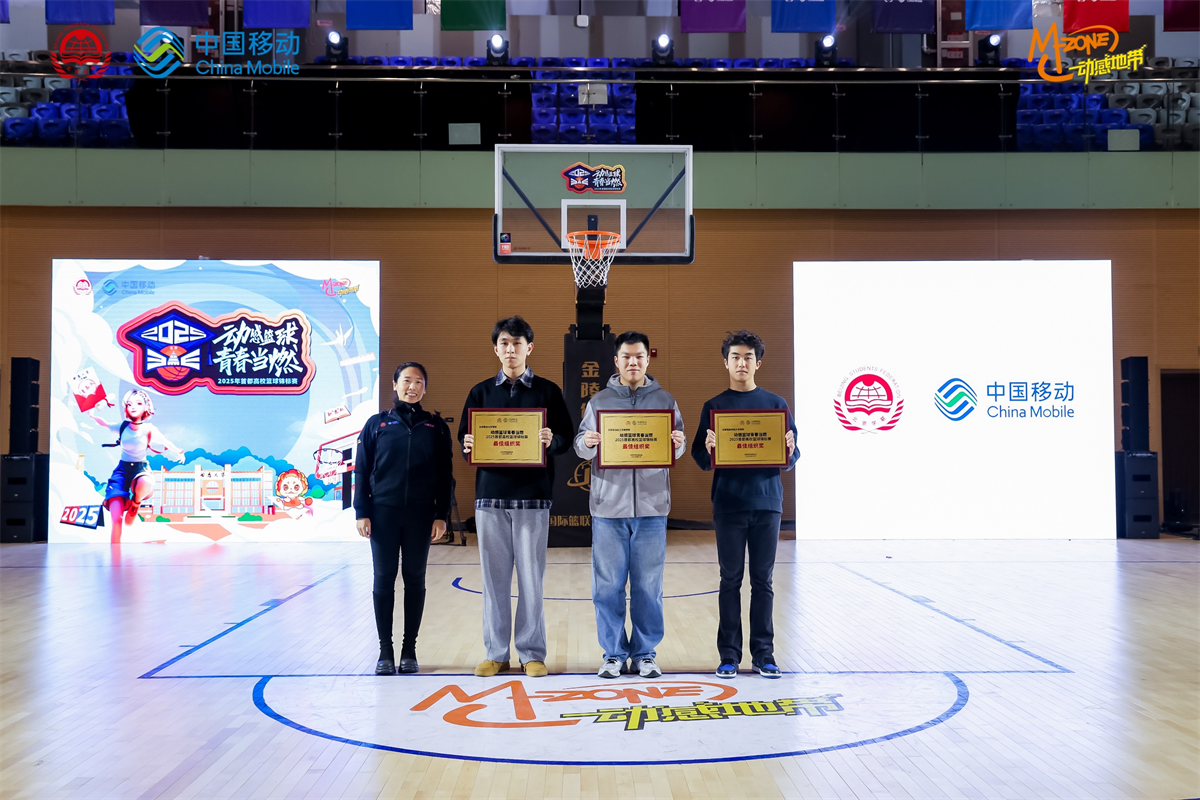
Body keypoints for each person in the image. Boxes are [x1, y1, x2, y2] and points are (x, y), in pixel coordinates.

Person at [459, 316, 573, 678]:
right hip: (490, 497)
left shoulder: (548, 391)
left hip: (532, 497)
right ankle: (496, 653)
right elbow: (465, 439)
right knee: (493, 581)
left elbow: (566, 438)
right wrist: (467, 444)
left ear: (529, 348)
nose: (511, 350)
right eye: (505, 343)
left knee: (531, 580)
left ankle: (531, 653)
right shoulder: (479, 393)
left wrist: (551, 440)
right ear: (496, 349)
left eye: (517, 343)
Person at [574, 331, 686, 679]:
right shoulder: (599, 402)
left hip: (652, 508)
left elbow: (678, 445)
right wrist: (588, 441)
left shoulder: (665, 400)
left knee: (648, 587)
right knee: (607, 586)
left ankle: (645, 654)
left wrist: (678, 443)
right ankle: (612, 654)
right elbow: (580, 447)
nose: (633, 362)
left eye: (639, 356)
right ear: (616, 361)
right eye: (626, 356)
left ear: (648, 359)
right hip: (608, 508)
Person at [691, 330, 798, 679]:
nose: (741, 363)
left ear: (758, 363)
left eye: (748, 357)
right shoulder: (714, 407)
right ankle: (729, 656)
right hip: (729, 504)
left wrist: (789, 448)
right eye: (735, 357)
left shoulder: (776, 405)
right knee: (730, 580)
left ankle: (764, 655)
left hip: (767, 503)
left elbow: (792, 456)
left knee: (763, 581)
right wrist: (709, 448)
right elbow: (700, 458)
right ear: (725, 363)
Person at [354, 362, 454, 675]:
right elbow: (361, 469)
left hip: (420, 516)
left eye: (419, 382)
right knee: (383, 579)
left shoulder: (435, 426)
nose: (412, 387)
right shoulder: (376, 424)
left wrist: (441, 515)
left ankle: (409, 650)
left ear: (425, 388)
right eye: (407, 381)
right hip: (382, 514)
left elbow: (446, 475)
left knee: (414, 579)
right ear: (395, 385)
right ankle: (385, 652)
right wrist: (361, 511)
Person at [87, 389, 185, 544]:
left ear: (146, 407)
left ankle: (135, 504)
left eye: (138, 403)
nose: (133, 407)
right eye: (129, 404)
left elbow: (165, 442)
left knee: (144, 483)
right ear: (125, 407)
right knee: (116, 518)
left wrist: (179, 452)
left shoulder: (149, 429)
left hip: (141, 469)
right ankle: (115, 553)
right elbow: (104, 424)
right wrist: (92, 415)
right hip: (121, 472)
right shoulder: (122, 426)